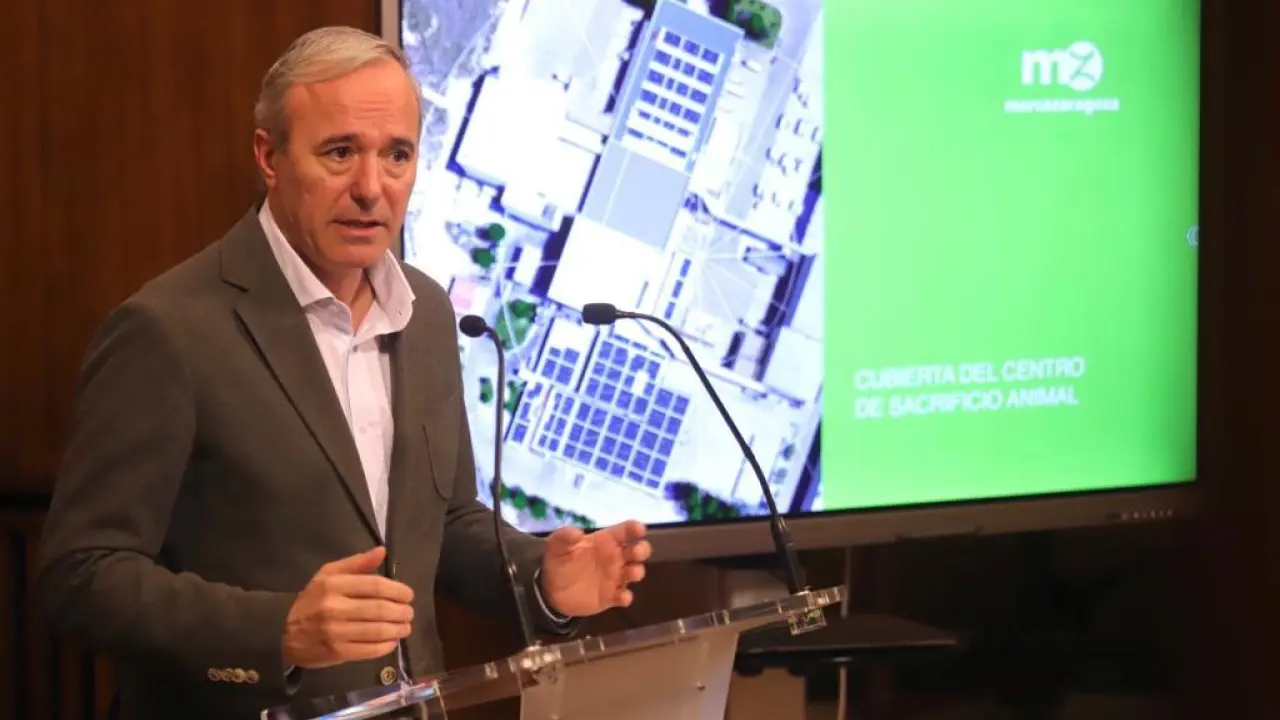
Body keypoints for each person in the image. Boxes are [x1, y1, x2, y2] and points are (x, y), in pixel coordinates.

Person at [37, 25, 650, 719]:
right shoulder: (166, 331)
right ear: (269, 156)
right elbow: (80, 576)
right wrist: (280, 630)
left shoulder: (426, 312)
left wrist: (542, 578)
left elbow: (443, 523)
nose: (370, 188)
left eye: (397, 155)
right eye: (340, 152)